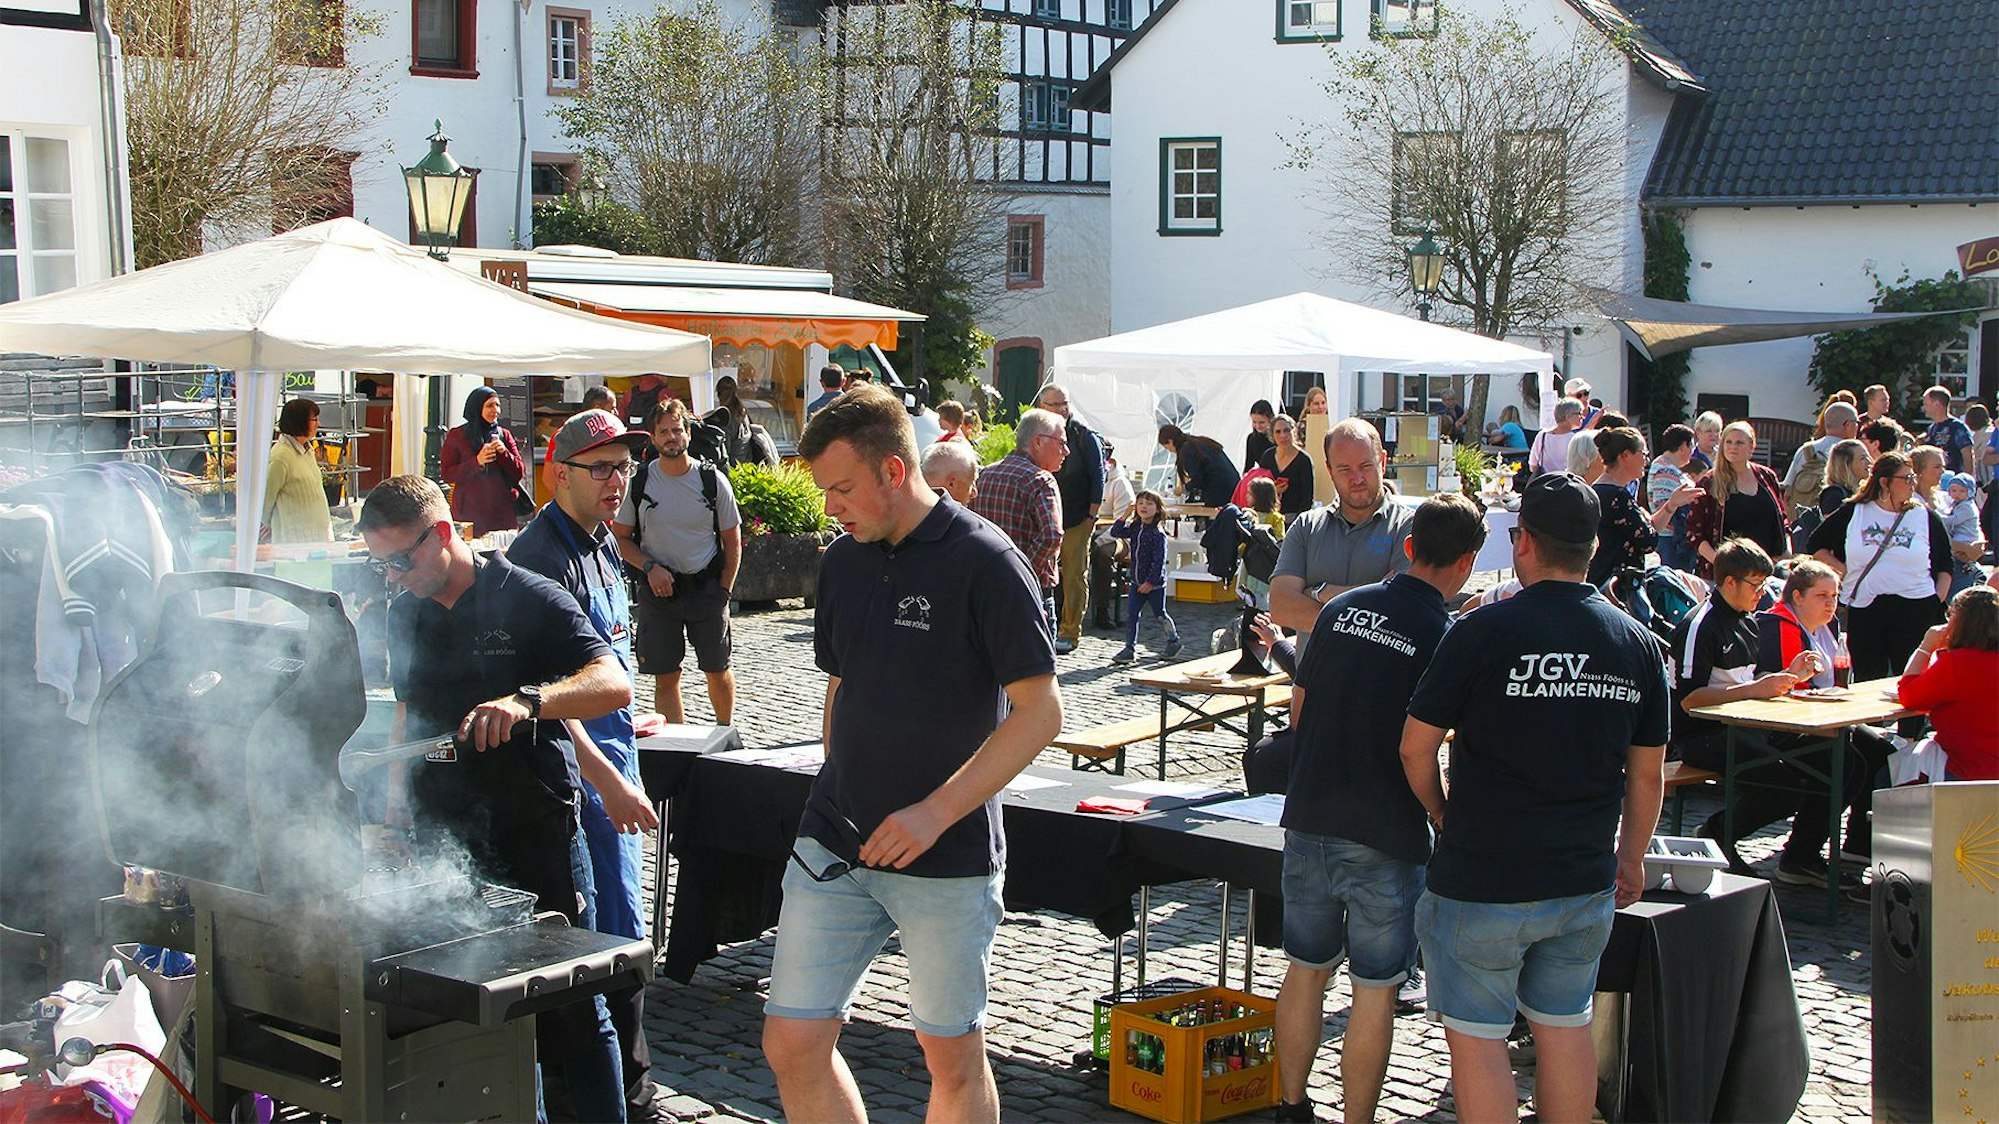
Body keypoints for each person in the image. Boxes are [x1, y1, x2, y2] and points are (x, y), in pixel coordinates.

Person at [762, 384, 1063, 1124]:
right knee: (791, 1041)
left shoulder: (986, 562)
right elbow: (842, 683)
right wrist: (838, 772)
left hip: (945, 855)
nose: (829, 507)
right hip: (834, 839)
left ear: (893, 472)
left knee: (950, 1058)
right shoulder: (842, 562)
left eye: (841, 488)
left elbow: (1040, 714)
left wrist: (933, 812)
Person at [1399, 473, 1669, 1124]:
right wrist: (1629, 859)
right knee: (1564, 1027)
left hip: (1482, 875)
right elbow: (1647, 776)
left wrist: (1438, 811)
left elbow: (1414, 746)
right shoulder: (1636, 644)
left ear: (1521, 543)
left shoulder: (1480, 631)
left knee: (1477, 1040)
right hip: (1579, 877)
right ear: (1594, 545)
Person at [362, 475, 629, 1122]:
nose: (395, 576)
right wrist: (395, 813)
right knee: (470, 1007)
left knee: (570, 1006)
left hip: (532, 824)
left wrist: (527, 701)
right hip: (445, 834)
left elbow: (612, 683)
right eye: (381, 565)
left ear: (445, 533)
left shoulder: (527, 596)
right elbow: (406, 715)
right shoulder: (405, 611)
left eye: (402, 559)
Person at [1272, 494, 1485, 1124]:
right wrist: (1441, 814)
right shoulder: (1446, 637)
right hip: (1386, 828)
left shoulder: (1339, 610)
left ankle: (1290, 1107)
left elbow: (1298, 711)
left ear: (1409, 545)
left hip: (1311, 813)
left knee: (1304, 971)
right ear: (1468, 565)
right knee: (1374, 990)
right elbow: (1423, 749)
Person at [507, 410, 668, 1122]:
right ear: (557, 474)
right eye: (599, 467)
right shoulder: (538, 559)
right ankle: (621, 1101)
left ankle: (633, 1093)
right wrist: (604, 770)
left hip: (615, 755)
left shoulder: (604, 545)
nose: (615, 481)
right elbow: (540, 696)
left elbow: (600, 660)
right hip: (576, 783)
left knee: (627, 939)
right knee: (600, 947)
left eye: (622, 467)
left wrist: (627, 715)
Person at [1755, 559, 1897, 862]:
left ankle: (1858, 844)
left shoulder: (1827, 627)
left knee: (1880, 752)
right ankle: (1800, 855)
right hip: (1780, 728)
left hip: (1827, 717)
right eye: (1822, 596)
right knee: (1845, 762)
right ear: (1797, 596)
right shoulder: (1781, 625)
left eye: (1834, 596)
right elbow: (1787, 690)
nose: (1831, 603)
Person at [611, 399, 742, 725]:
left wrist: (724, 590)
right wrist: (649, 567)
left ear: (687, 433)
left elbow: (732, 539)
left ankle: (726, 733)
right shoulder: (639, 484)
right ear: (653, 438)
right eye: (663, 431)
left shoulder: (712, 481)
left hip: (706, 588)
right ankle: (677, 746)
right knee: (665, 676)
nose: (671, 437)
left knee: (717, 669)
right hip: (659, 593)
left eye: (677, 430)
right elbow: (621, 537)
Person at [1269, 418, 1415, 654]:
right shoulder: (1306, 526)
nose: (1356, 479)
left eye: (1366, 466)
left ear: (1383, 462)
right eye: (1344, 469)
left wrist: (1320, 593)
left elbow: (1401, 609)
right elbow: (1281, 606)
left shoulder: (1409, 527)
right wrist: (1376, 590)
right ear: (1329, 470)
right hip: (1313, 687)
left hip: (1381, 685)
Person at [1808, 451, 1952, 681]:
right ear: (1885, 481)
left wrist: (1935, 601)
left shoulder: (1924, 515)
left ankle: (1910, 720)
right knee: (1868, 675)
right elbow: (1816, 545)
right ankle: (1871, 720)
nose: (1912, 484)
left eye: (1913, 477)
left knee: (1911, 677)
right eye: (1906, 478)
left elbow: (1945, 564)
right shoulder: (1855, 511)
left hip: (1916, 607)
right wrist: (1844, 573)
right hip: (1866, 607)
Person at [971, 409, 1067, 646]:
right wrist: (1022, 572)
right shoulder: (1041, 480)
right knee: (1036, 675)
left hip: (985, 591)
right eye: (1062, 443)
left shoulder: (985, 474)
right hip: (1029, 595)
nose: (1066, 451)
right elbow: (1052, 536)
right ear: (1037, 442)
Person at [1898, 585, 1999, 780]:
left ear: (1960, 622)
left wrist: (1926, 647)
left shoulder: (1957, 664)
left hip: (1965, 770)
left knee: (1883, 773)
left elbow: (1908, 696)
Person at [1035, 385, 1104, 655]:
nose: (1062, 409)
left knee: (1074, 575)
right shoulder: (1036, 431)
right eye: (1056, 404)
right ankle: (1044, 625)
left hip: (1077, 516)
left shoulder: (1083, 435)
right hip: (1046, 513)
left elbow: (1098, 476)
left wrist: (1092, 515)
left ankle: (1070, 631)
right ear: (1043, 406)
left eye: (1065, 403)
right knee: (1044, 571)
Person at [1589, 427, 1696, 588]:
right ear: (1625, 455)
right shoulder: (1617, 496)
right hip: (1615, 587)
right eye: (1643, 453)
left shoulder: (1600, 488)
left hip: (1603, 580)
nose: (1647, 459)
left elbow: (1646, 529)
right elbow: (1648, 541)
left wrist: (1671, 504)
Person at [1685, 420, 1789, 576]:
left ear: (1751, 447)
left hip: (1767, 570)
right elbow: (1694, 532)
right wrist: (1719, 562)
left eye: (1739, 442)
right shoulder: (1708, 482)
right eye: (1728, 442)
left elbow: (1783, 520)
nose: (1733, 447)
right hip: (1726, 573)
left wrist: (1786, 555)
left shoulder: (1766, 476)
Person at [439, 385, 526, 536]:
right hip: (469, 513)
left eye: (497, 405)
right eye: (489, 405)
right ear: (477, 407)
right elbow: (447, 474)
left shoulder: (504, 434)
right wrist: (477, 462)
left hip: (501, 514)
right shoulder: (458, 435)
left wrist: (504, 453)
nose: (495, 410)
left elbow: (518, 472)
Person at [1108, 490, 1182, 663]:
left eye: (1149, 503)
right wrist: (1125, 514)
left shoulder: (1157, 534)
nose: (1144, 506)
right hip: (1136, 581)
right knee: (1132, 614)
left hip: (1154, 585)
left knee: (1160, 615)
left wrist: (1150, 581)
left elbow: (1159, 562)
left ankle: (1174, 640)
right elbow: (1116, 532)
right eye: (1141, 503)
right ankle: (1129, 648)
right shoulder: (1135, 527)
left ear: (1157, 509)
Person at [263, 397, 332, 543]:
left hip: (316, 536)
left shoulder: (307, 450)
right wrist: (266, 523)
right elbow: (267, 497)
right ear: (299, 421)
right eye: (314, 420)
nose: (318, 424)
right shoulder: (280, 456)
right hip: (294, 540)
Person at [1091, 443, 1138, 631]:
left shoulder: (1120, 483)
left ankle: (1103, 610)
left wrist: (1099, 539)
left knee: (1102, 554)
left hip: (1118, 537)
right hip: (1092, 533)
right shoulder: (1087, 479)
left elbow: (1124, 522)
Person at [541, 385, 618, 499]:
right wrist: (570, 507)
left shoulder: (614, 434)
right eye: (612, 408)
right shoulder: (566, 435)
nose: (616, 413)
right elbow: (548, 479)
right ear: (598, 408)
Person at [1784, 402, 1860, 514]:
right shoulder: (1852, 451)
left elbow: (1787, 489)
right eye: (1856, 422)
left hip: (1804, 521)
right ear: (1848, 425)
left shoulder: (1805, 450)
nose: (1858, 426)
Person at [1648, 424, 1699, 572]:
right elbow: (1662, 506)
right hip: (1672, 541)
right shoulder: (1665, 470)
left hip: (1675, 540)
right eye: (1692, 447)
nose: (1693, 452)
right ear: (1683, 446)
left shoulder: (1667, 466)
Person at [1157, 424, 1240, 506]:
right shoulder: (1198, 442)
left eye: (1167, 448)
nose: (1170, 451)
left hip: (1220, 490)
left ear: (1170, 441)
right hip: (1234, 485)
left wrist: (1183, 489)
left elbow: (1198, 478)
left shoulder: (1187, 450)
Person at [708, 375, 780, 468]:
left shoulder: (726, 419)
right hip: (748, 466)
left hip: (734, 469)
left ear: (718, 394)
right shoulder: (742, 411)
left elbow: (724, 453)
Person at [1238, 477, 1287, 607]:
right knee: (1251, 590)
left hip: (1262, 560)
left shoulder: (1274, 518)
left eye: (1250, 494)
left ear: (1258, 497)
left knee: (1261, 592)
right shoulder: (1249, 514)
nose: (1246, 496)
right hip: (1253, 559)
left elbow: (1279, 538)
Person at [1255, 412, 1315, 518]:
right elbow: (1260, 490)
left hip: (1294, 517)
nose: (1283, 435)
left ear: (1294, 431)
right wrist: (1274, 490)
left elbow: (1307, 499)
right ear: (1272, 435)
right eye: (1278, 432)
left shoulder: (1304, 460)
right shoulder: (1267, 456)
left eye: (1287, 430)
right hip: (1269, 516)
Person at [1941, 472, 1988, 596]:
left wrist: (1939, 519)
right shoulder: (1957, 504)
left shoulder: (1967, 506)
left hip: (1967, 537)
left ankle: (1974, 570)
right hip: (1961, 535)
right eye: (1954, 490)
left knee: (1960, 555)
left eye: (1962, 491)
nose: (1957, 494)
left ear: (1970, 492)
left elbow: (1954, 521)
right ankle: (1972, 568)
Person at [1921, 385, 1976, 473]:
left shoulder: (1957, 427)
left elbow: (1968, 456)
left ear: (1937, 404)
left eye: (1926, 404)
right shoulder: (1931, 428)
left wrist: (1967, 481)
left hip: (1953, 481)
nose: (1924, 408)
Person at [1528, 399, 1583, 476]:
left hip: (1544, 483)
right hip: (1566, 484)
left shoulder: (1542, 435)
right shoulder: (1575, 439)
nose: (1582, 417)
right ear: (1568, 416)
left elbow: (1532, 465)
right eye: (1579, 413)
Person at [920, 438, 979, 505]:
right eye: (971, 483)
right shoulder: (956, 515)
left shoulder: (909, 510)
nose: (974, 493)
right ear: (952, 484)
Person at [1245, 399, 1277, 472]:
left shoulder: (1277, 438)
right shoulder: (1251, 438)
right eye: (1254, 422)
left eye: (1262, 422)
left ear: (1271, 419)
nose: (1257, 426)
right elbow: (1249, 466)